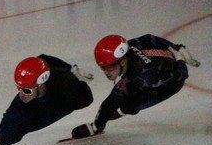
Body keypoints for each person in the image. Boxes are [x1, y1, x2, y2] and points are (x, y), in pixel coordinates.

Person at [70, 34, 200, 139]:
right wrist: (175, 47)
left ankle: (120, 113)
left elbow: (180, 77)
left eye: (109, 67)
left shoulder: (145, 76)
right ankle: (98, 126)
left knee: (127, 101)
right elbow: (149, 38)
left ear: (122, 61)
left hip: (166, 84)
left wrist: (180, 60)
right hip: (149, 71)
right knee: (115, 100)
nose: (106, 72)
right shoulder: (130, 46)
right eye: (102, 68)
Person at [0, 55, 94, 145]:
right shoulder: (38, 70)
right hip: (44, 93)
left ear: (41, 86)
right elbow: (45, 57)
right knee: (14, 113)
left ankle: (3, 143)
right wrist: (72, 67)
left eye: (25, 90)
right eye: (18, 88)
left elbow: (86, 99)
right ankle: (4, 140)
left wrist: (4, 143)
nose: (21, 93)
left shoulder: (66, 90)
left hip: (68, 100)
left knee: (26, 124)